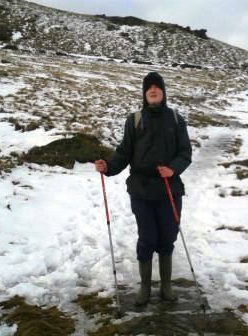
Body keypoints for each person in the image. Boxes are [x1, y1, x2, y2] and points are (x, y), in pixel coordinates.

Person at [95, 72, 192, 306]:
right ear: (144, 93)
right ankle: (145, 287)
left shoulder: (176, 119)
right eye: (149, 87)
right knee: (147, 238)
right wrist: (108, 166)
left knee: (167, 237)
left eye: (157, 87)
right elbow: (124, 152)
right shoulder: (135, 120)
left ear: (163, 92)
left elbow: (185, 153)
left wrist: (173, 169)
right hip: (142, 190)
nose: (153, 90)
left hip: (170, 188)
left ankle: (166, 286)